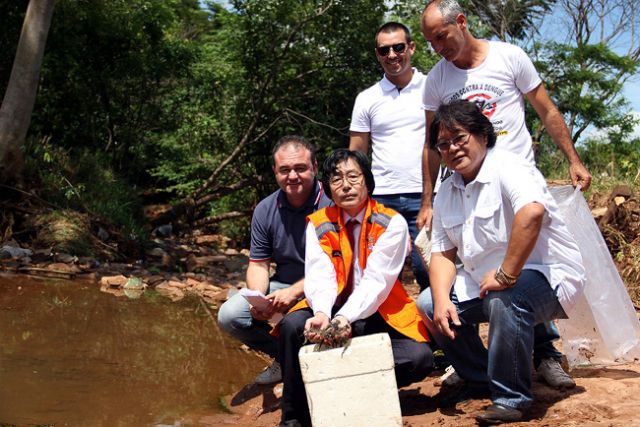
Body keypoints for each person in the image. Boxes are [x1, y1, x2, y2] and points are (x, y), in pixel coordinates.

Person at [417, 0, 591, 388]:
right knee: (473, 271)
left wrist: (573, 160)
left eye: (441, 36)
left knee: (526, 267)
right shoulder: (437, 80)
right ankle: (484, 373)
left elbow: (545, 110)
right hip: (466, 186)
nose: (437, 48)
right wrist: (429, 200)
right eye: (430, 42)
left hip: (514, 180)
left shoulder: (509, 57)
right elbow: (431, 143)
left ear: (461, 22)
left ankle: (545, 356)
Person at [421, 100, 585, 423]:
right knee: (428, 304)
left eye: (459, 138)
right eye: (443, 144)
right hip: (485, 282)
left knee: (505, 297)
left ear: (483, 134)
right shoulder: (448, 189)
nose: (452, 148)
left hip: (546, 276)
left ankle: (512, 398)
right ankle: (481, 376)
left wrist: (507, 274)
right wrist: (442, 300)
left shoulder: (510, 167)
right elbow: (441, 252)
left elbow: (531, 212)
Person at [277, 149, 433, 427]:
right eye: (336, 179)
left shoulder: (392, 223)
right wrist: (324, 314)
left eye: (353, 176)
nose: (345, 185)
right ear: (327, 188)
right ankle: (294, 418)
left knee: (419, 357)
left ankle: (346, 392)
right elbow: (320, 274)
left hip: (376, 312)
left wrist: (344, 319)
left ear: (368, 182)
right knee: (292, 327)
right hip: (330, 308)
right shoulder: (319, 223)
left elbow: (377, 283)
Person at [217, 135, 331, 385]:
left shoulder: (333, 203)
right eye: (285, 170)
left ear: (314, 167)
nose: (293, 176)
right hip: (284, 285)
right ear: (275, 172)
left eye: (300, 168)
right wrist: (258, 300)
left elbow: (339, 266)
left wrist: (295, 292)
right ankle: (285, 359)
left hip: (331, 286)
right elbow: (258, 264)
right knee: (230, 314)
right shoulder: (265, 209)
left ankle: (320, 361)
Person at [349, 21, 434, 291]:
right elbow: (356, 154)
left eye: (398, 47)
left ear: (411, 47)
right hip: (381, 199)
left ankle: (438, 331)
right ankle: (391, 333)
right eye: (384, 50)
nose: (392, 55)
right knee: (383, 275)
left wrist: (431, 197)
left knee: (428, 269)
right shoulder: (366, 98)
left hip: (427, 196)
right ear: (377, 54)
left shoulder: (432, 86)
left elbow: (446, 143)